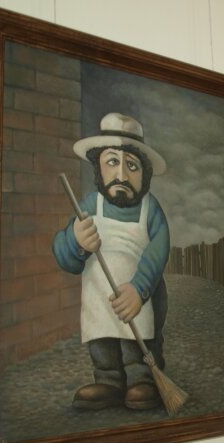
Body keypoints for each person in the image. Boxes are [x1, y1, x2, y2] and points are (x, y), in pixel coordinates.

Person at [53, 112, 170, 411]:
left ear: (145, 173)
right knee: (102, 337)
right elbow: (65, 256)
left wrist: (139, 289)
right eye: (112, 162)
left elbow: (158, 251)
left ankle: (143, 379)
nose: (121, 175)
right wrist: (76, 242)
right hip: (99, 296)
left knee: (139, 339)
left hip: (137, 296)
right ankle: (108, 380)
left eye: (132, 166)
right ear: (98, 168)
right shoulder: (90, 205)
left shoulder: (151, 210)